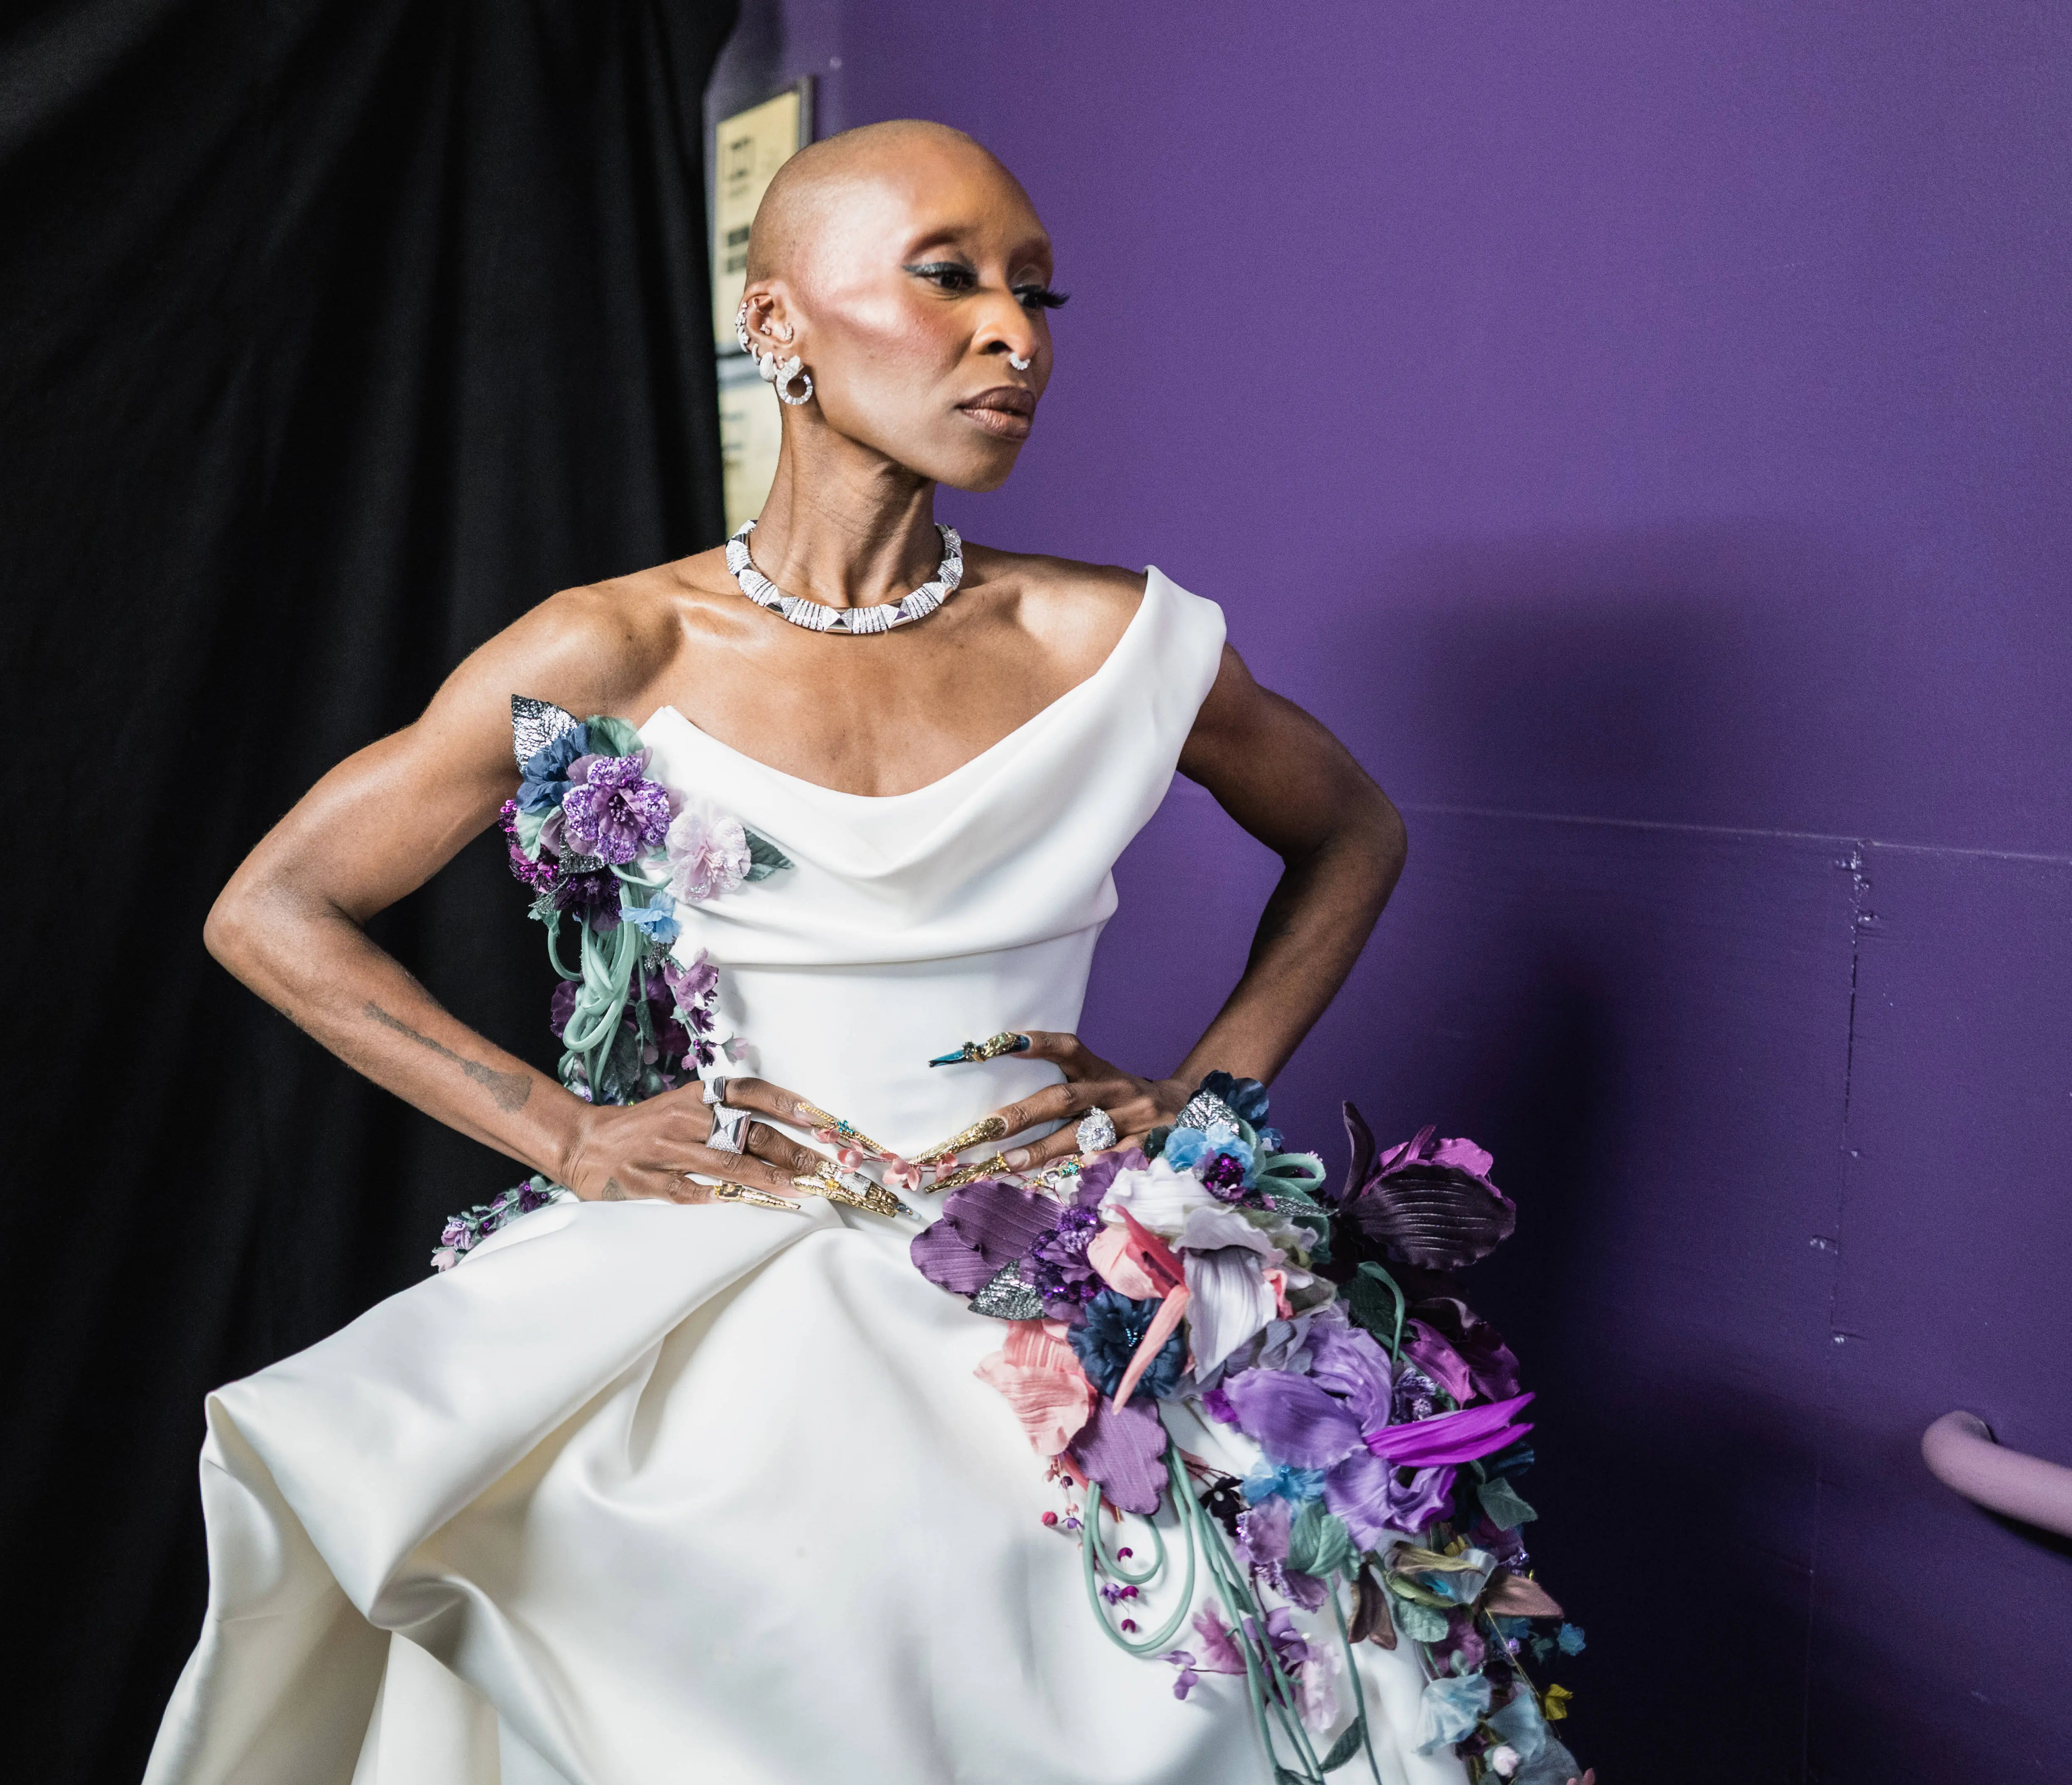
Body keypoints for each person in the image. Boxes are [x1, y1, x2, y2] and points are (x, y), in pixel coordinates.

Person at [147, 120, 1577, 1785]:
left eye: (1039, 294)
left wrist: (1205, 1095)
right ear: (777, 328)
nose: (1016, 336)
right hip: (721, 1305)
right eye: (951, 277)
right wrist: (566, 1133)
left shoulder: (1115, 639)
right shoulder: (617, 644)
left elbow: (1356, 830)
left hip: (1060, 1295)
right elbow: (274, 907)